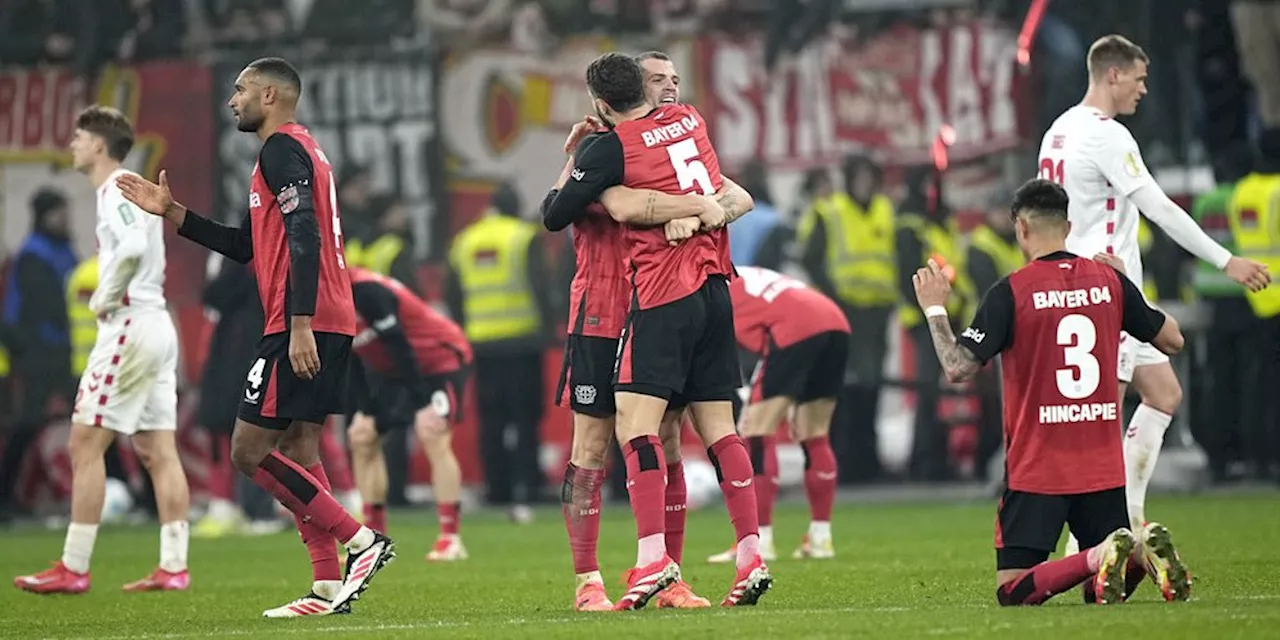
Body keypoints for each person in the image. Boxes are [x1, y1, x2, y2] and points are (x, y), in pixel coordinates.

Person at [116, 57, 394, 618]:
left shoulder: (280, 150)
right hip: (328, 316)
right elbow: (248, 248)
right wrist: (174, 213)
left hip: (303, 319)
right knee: (298, 447)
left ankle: (360, 542)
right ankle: (321, 587)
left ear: (270, 95)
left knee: (248, 450)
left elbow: (305, 233)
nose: (232, 100)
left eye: (240, 90)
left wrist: (297, 325)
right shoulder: (302, 151)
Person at [541, 52, 767, 610]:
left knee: (665, 441)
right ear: (634, 90)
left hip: (660, 302)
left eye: (675, 80)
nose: (670, 88)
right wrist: (691, 206)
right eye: (658, 80)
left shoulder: (665, 141)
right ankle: (586, 580)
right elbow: (602, 206)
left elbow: (734, 195)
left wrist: (698, 209)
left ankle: (669, 574)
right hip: (602, 309)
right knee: (591, 444)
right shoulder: (601, 150)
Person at [1037, 35, 1270, 551]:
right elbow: (1161, 208)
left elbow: (1041, 212)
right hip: (1104, 294)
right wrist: (1226, 259)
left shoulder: (1058, 130)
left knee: (1163, 394)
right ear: (1113, 74)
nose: (1144, 89)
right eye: (1139, 78)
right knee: (1102, 421)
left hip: (1082, 288)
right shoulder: (1107, 135)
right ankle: (1089, 544)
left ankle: (1127, 517)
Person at [915, 178, 1192, 605]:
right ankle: (1137, 553)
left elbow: (957, 367)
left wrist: (935, 309)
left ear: (1021, 230)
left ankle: (1102, 554)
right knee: (1098, 594)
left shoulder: (1010, 291)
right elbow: (1173, 341)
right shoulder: (1108, 282)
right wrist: (1126, 288)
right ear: (1068, 226)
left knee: (1013, 592)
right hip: (1101, 466)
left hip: (1039, 466)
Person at [12, 106, 191, 594]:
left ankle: (74, 566)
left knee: (84, 443)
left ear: (97, 144)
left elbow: (132, 248)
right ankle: (174, 566)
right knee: (157, 449)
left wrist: (107, 295)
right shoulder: (127, 189)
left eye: (78, 137)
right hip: (155, 324)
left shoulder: (118, 187)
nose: (72, 144)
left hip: (130, 324)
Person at [706, 265, 849, 564]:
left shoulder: (706, 288)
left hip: (794, 325)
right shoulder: (742, 272)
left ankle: (760, 541)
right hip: (834, 320)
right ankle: (821, 538)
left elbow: (730, 343)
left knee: (756, 429)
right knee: (815, 432)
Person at [345, 267, 472, 562]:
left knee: (433, 432)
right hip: (392, 369)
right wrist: (364, 407)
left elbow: (399, 345)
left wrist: (423, 403)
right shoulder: (319, 301)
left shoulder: (367, 292)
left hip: (439, 358)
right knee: (361, 436)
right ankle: (374, 541)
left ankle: (450, 538)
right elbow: (348, 355)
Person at [446, 182, 554, 523]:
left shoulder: (465, 241)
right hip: (522, 341)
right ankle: (529, 485)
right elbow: (541, 285)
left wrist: (466, 331)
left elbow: (453, 295)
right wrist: (549, 329)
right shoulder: (523, 236)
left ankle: (497, 488)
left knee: (491, 420)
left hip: (482, 342)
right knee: (525, 418)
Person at [0, 188, 78, 522]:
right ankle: (4, 497)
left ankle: (122, 490)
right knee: (28, 424)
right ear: (44, 216)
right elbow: (48, 309)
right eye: (57, 213)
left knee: (94, 418)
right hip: (38, 355)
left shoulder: (63, 253)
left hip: (63, 354)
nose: (63, 219)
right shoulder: (35, 255)